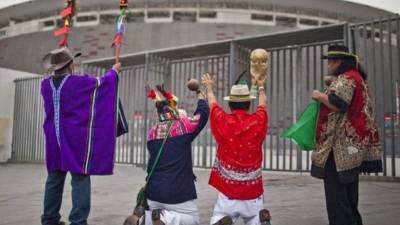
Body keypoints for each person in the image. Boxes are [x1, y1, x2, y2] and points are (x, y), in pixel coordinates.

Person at [40, 47, 127, 225]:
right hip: (73, 140)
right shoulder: (75, 83)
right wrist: (115, 71)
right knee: (80, 179)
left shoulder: (45, 85)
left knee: (54, 179)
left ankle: (49, 220)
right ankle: (78, 221)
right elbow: (102, 83)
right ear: (70, 65)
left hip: (52, 139)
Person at [311, 45, 383, 225]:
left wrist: (319, 96)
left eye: (330, 61)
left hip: (339, 148)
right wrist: (331, 83)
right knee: (350, 197)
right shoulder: (357, 78)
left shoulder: (346, 78)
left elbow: (338, 104)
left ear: (338, 62)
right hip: (353, 148)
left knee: (337, 200)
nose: (328, 65)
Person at [125, 80, 209, 225]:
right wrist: (200, 93)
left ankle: (145, 219)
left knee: (154, 214)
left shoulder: (152, 133)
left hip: (153, 193)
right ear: (174, 110)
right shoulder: (183, 127)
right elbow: (203, 114)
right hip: (178, 193)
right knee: (193, 220)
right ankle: (165, 218)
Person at [201, 70, 271, 225]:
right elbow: (263, 104)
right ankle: (259, 221)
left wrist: (209, 87)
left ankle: (221, 221)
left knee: (218, 218)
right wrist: (260, 87)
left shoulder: (222, 120)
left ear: (230, 104)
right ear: (248, 103)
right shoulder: (259, 120)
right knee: (255, 218)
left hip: (228, 194)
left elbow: (212, 104)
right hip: (253, 195)